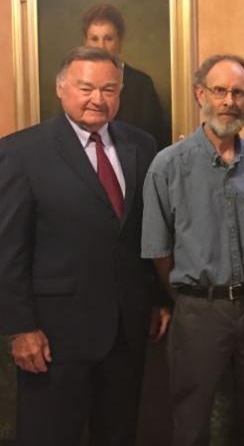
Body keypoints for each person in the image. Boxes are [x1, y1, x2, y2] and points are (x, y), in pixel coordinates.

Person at [0, 47, 169, 446]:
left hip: (126, 330)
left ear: (120, 92)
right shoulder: (21, 152)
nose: (98, 98)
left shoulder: (141, 145)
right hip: (54, 336)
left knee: (118, 434)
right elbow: (9, 248)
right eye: (86, 88)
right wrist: (20, 328)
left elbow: (144, 234)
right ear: (61, 89)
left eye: (109, 89)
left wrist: (157, 298)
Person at [141, 54, 244, 446]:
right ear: (200, 94)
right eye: (220, 91)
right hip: (199, 309)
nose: (229, 101)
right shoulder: (168, 166)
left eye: (239, 92)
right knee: (191, 418)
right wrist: (185, 298)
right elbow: (157, 250)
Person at [83, 3, 170, 148]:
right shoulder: (75, 83)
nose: (101, 47)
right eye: (94, 39)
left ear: (120, 41)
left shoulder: (142, 85)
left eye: (108, 38)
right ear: (85, 42)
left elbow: (155, 139)